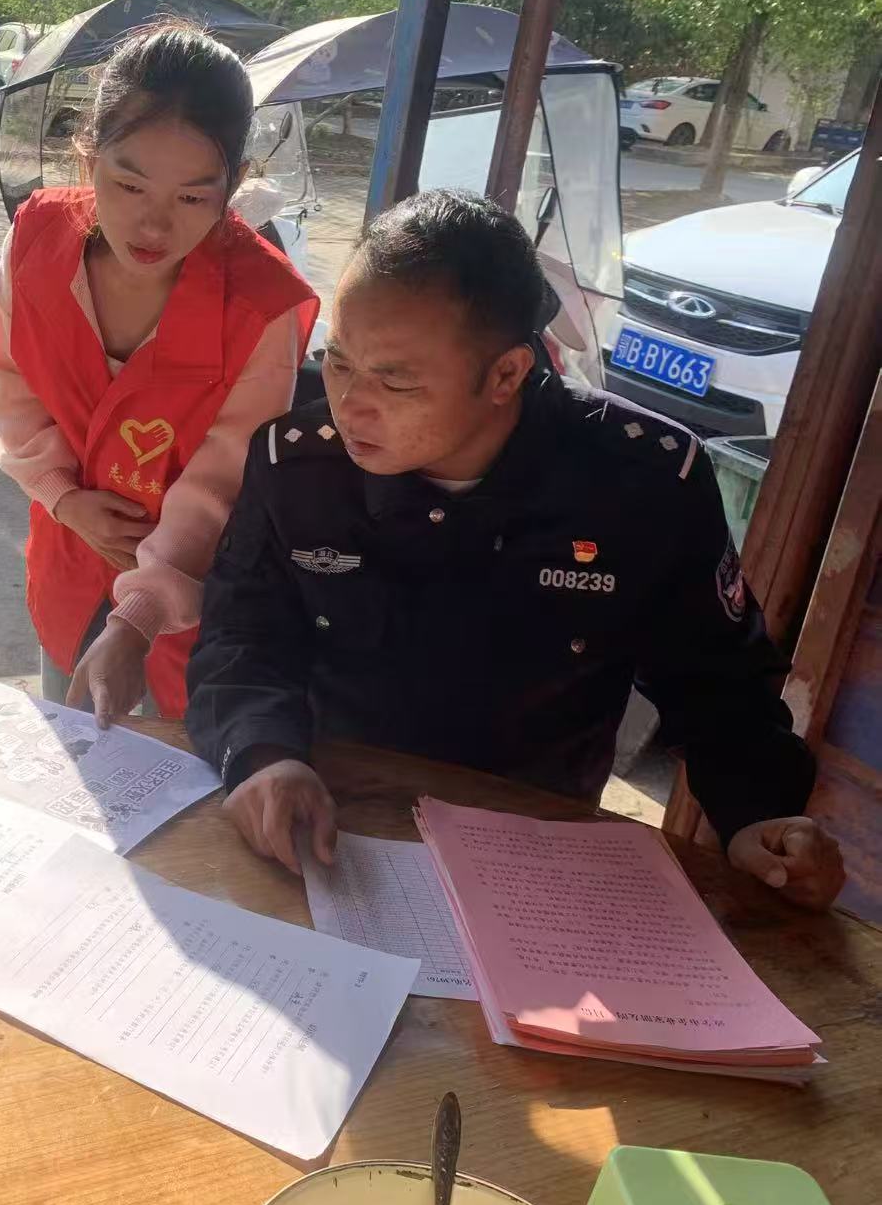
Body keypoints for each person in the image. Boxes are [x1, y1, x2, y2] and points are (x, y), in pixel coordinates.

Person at [187, 188, 847, 911]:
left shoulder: (643, 483)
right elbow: (242, 633)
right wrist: (261, 755)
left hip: (536, 853)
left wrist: (758, 813)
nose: (349, 406)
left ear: (505, 374)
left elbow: (718, 680)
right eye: (339, 362)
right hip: (332, 831)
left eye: (395, 380)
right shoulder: (297, 467)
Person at [0, 24, 319, 724]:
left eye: (192, 198)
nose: (153, 225)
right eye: (128, 184)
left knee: (176, 768)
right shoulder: (36, 242)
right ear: (87, 155)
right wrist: (62, 496)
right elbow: (12, 385)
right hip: (68, 559)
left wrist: (140, 612)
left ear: (235, 185)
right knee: (71, 739)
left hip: (191, 596)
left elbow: (225, 475)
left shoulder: (260, 306)